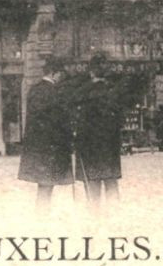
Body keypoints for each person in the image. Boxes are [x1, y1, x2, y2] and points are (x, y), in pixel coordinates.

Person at [18, 57, 74, 207]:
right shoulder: (53, 92)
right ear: (54, 73)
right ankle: (43, 218)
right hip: (50, 148)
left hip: (37, 148)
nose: (62, 77)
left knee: (44, 186)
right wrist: (68, 136)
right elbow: (56, 121)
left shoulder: (34, 90)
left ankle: (42, 215)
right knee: (47, 186)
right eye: (61, 73)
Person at [73, 54, 125, 206]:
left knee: (92, 183)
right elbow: (120, 119)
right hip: (110, 145)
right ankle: (114, 215)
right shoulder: (114, 92)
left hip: (90, 146)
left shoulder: (82, 92)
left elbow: (79, 120)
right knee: (111, 182)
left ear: (91, 72)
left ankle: (95, 216)